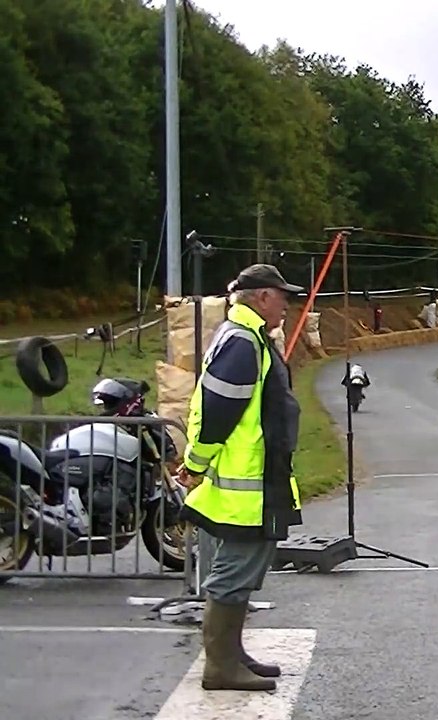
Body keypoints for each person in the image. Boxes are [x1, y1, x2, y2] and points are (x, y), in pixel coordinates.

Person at [175, 263, 305, 693]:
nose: (287, 303)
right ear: (262, 297)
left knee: (242, 572)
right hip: (242, 486)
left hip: (249, 482)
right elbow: (218, 415)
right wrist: (194, 465)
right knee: (231, 576)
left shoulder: (247, 339)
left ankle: (233, 654)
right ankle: (221, 666)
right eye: (281, 295)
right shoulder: (242, 343)